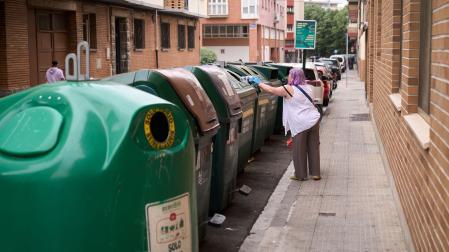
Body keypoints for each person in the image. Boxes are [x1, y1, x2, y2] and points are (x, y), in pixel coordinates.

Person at [258, 68, 321, 181]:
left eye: (290, 75)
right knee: (313, 147)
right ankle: (315, 173)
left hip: (301, 123)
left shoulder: (289, 88)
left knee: (299, 149)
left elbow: (272, 90)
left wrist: (259, 83)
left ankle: (300, 175)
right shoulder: (308, 87)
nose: (288, 77)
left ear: (294, 77)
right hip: (314, 120)